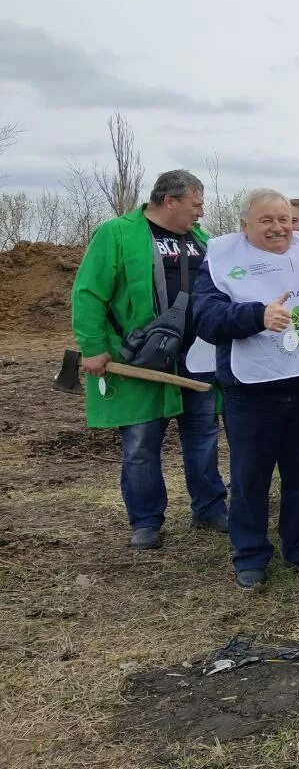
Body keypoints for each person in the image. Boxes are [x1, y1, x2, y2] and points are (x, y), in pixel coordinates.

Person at [70, 169, 227, 550]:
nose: (201, 213)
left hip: (197, 358)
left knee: (204, 436)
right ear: (169, 201)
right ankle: (145, 520)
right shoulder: (118, 234)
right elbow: (88, 292)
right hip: (139, 359)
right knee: (141, 442)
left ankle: (209, 507)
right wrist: (93, 346)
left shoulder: (201, 240)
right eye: (196, 204)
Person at [192, 189, 299, 591]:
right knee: (250, 477)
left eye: (284, 219)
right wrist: (256, 315)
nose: (278, 228)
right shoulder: (223, 259)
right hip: (252, 391)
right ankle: (251, 554)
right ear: (245, 225)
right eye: (267, 221)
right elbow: (205, 319)